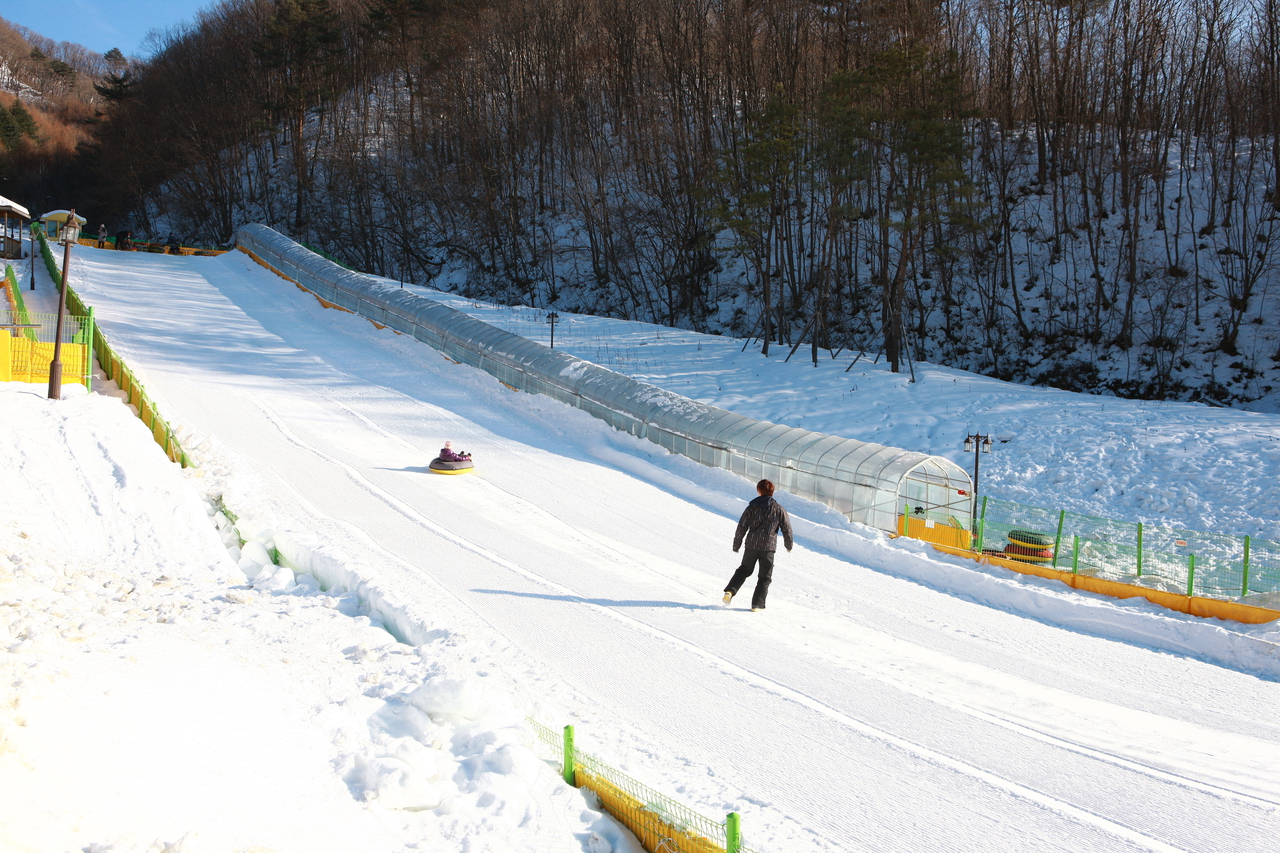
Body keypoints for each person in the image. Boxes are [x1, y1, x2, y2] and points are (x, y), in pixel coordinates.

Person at [722, 479, 793, 611]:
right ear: (772, 492)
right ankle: (757, 605)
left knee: (744, 570)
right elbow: (787, 529)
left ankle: (730, 591)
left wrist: (736, 545)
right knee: (764, 577)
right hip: (768, 548)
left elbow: (742, 527)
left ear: (759, 491)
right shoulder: (779, 509)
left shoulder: (751, 508)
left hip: (751, 545)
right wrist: (788, 546)